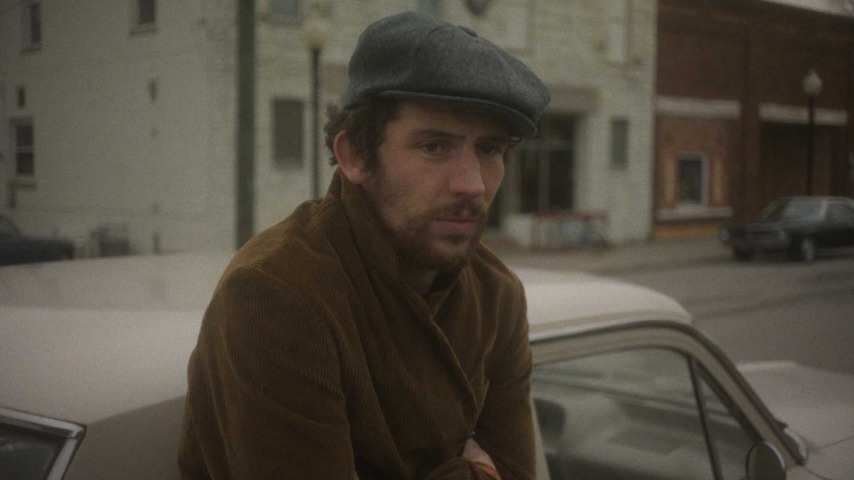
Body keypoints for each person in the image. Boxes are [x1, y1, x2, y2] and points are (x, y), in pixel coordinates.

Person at [178, 11, 550, 480]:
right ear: (353, 155)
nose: (473, 184)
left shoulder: (495, 294)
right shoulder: (279, 293)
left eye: (490, 149)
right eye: (435, 147)